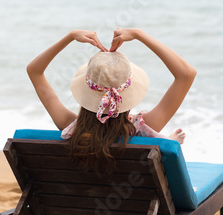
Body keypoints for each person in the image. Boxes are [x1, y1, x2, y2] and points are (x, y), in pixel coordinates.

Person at [27, 28, 196, 171]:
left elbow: (34, 71)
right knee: (166, 144)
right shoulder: (144, 129)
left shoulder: (69, 127)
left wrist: (69, 37)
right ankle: (168, 142)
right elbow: (186, 75)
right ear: (128, 92)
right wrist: (139, 34)